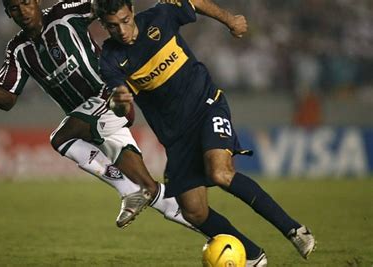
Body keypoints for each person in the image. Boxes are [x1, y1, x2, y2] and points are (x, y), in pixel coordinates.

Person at [95, 0, 316, 265]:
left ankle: (294, 230)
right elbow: (120, 107)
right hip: (176, 138)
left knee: (220, 172)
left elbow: (193, 2)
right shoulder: (109, 58)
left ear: (132, 12)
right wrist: (120, 102)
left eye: (124, 21)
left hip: (207, 107)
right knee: (194, 212)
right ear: (103, 26)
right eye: (111, 26)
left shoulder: (161, 16)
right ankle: (253, 256)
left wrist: (229, 20)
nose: (120, 30)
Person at [0, 0, 196, 231]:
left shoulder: (64, 13)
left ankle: (127, 190)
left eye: (26, 2)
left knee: (61, 138)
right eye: (14, 8)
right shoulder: (18, 50)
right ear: (8, 14)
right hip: (89, 122)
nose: (23, 11)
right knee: (149, 188)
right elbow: (7, 99)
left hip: (110, 98)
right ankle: (211, 229)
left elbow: (104, 4)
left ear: (36, 1)